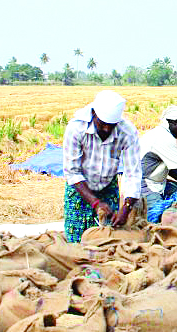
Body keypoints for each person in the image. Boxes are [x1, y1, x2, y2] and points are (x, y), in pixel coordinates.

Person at [62, 90, 142, 242]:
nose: (107, 129)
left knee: (109, 239)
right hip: (80, 188)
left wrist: (126, 208)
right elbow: (72, 172)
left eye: (111, 125)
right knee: (77, 240)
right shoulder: (76, 128)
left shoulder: (127, 132)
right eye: (102, 124)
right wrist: (96, 203)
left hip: (108, 186)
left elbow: (133, 173)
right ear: (94, 113)